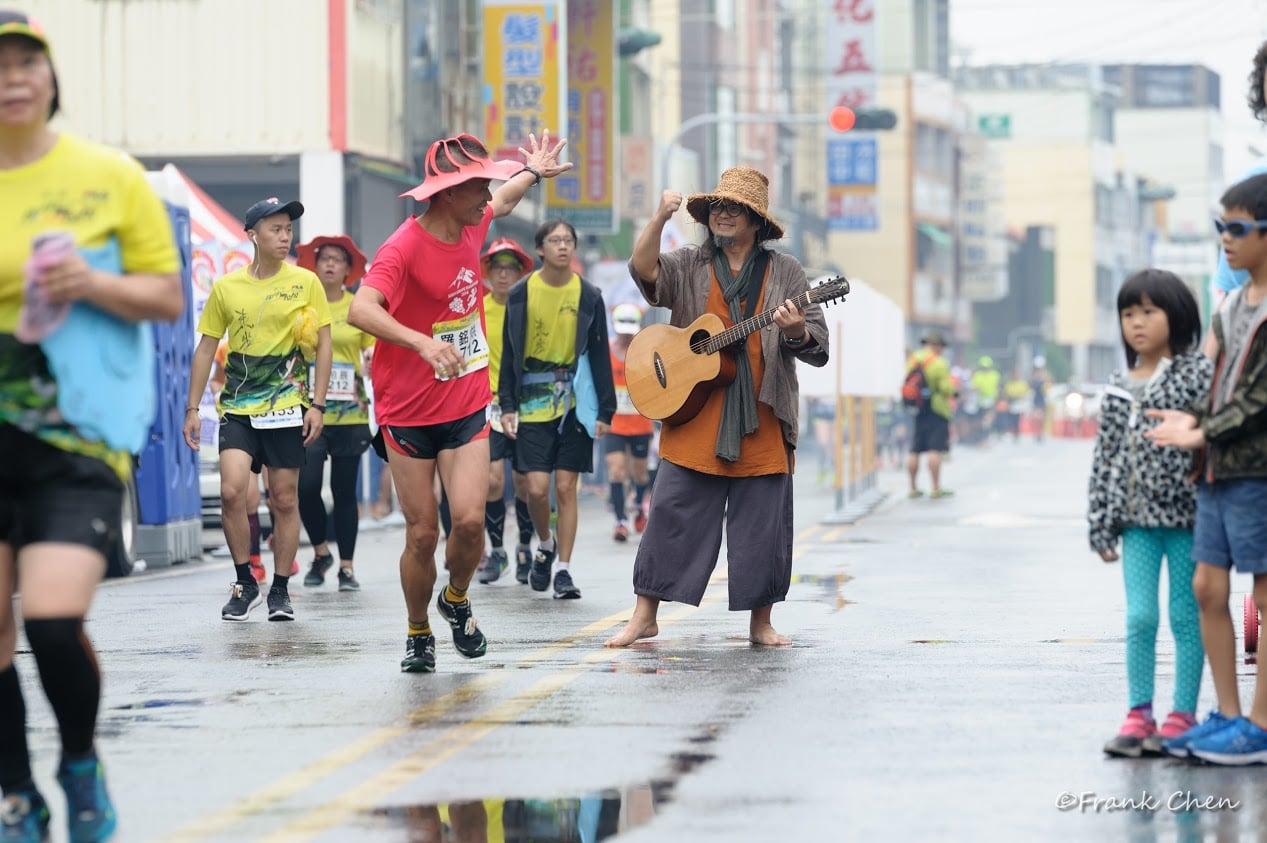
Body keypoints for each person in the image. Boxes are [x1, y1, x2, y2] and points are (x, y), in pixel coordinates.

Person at [0, 11, 183, 840]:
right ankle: (15, 795)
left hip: (75, 431)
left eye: (24, 61)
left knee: (48, 614)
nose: (10, 77)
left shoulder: (108, 177)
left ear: (49, 76)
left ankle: (78, 764)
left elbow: (166, 295)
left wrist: (87, 283)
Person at [348, 131, 571, 673]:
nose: (486, 197)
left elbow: (507, 197)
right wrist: (421, 342)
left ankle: (456, 599)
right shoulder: (402, 248)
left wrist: (534, 171)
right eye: (478, 188)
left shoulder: (474, 223)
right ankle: (418, 631)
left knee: (470, 522)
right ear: (447, 193)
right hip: (407, 409)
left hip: (467, 400)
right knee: (423, 533)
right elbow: (361, 309)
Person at [605, 166, 829, 648]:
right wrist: (661, 216)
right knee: (671, 512)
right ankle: (644, 615)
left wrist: (793, 331)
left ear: (756, 221)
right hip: (693, 410)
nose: (724, 214)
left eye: (735, 208)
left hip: (764, 414)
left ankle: (760, 622)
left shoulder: (786, 271)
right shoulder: (688, 262)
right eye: (718, 207)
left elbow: (815, 343)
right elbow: (643, 269)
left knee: (761, 526)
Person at [1147, 173, 1267, 764]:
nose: (1226, 238)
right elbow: (1219, 387)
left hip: (1259, 473)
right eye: (1223, 227)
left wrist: (1199, 429)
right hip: (1216, 472)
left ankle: (1260, 723)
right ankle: (1228, 714)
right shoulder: (1232, 307)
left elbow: (1259, 400)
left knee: (1266, 595)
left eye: (1238, 228)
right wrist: (1189, 419)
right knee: (1206, 587)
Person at [183, 198, 333, 623]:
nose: (285, 237)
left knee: (284, 499)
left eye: (288, 229)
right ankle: (244, 580)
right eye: (275, 229)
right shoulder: (227, 288)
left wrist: (317, 404)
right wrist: (193, 407)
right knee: (232, 491)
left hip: (287, 407)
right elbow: (206, 348)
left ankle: (280, 589)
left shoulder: (306, 282)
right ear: (253, 235)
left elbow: (323, 345)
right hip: (238, 407)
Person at [1087, 269, 1212, 758]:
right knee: (1140, 617)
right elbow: (1104, 458)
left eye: (1148, 311)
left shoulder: (1196, 375)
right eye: (1127, 313)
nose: (1136, 323)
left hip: (1188, 522)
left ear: (1175, 317)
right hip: (1135, 525)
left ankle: (1183, 715)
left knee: (1186, 616)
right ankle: (1138, 714)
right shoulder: (1118, 385)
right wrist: (1100, 523)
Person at [498, 218, 617, 599]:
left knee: (566, 487)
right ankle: (544, 544)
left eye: (568, 240)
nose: (563, 246)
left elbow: (599, 354)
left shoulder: (589, 295)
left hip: (575, 403)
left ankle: (563, 569)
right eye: (555, 240)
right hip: (531, 401)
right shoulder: (520, 293)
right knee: (535, 489)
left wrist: (605, 410)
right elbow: (509, 356)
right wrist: (507, 404)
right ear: (540, 249)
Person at [294, 234, 375, 591]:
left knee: (345, 492)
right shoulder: (302, 309)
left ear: (347, 270)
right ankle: (320, 551)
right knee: (307, 487)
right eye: (323, 258)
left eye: (337, 260)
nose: (329, 264)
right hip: (310, 413)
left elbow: (373, 351)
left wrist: (374, 363)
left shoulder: (359, 307)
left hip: (351, 414)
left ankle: (346, 567)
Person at [474, 237, 536, 586]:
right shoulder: (477, 310)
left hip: (527, 404)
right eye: (497, 268)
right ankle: (497, 551)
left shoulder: (529, 309)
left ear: (519, 273)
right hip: (489, 405)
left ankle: (525, 547)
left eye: (510, 268)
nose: (502, 275)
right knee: (493, 481)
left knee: (526, 482)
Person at [605, 303, 654, 541]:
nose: (626, 333)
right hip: (614, 423)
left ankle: (637, 503)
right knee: (616, 471)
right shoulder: (606, 351)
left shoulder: (644, 350)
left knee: (640, 474)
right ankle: (620, 521)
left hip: (640, 423)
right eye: (622, 329)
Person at [905, 331, 955, 498]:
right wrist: (954, 392)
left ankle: (912, 488)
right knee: (935, 448)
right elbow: (946, 388)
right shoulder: (939, 363)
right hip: (936, 409)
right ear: (936, 345)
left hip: (918, 409)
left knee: (915, 449)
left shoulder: (913, 359)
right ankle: (935, 487)